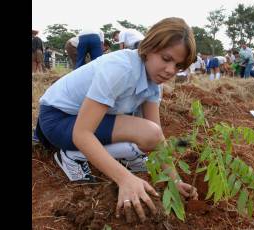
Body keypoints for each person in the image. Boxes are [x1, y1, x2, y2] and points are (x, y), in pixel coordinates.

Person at [34, 17, 198, 223]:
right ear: (148, 48)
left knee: (150, 134)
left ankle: (118, 155)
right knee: (147, 134)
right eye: (166, 58)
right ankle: (72, 156)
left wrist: (175, 180)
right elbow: (81, 133)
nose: (170, 70)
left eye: (178, 65)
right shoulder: (121, 69)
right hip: (58, 120)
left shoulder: (154, 82)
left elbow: (157, 137)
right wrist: (125, 179)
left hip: (79, 120)